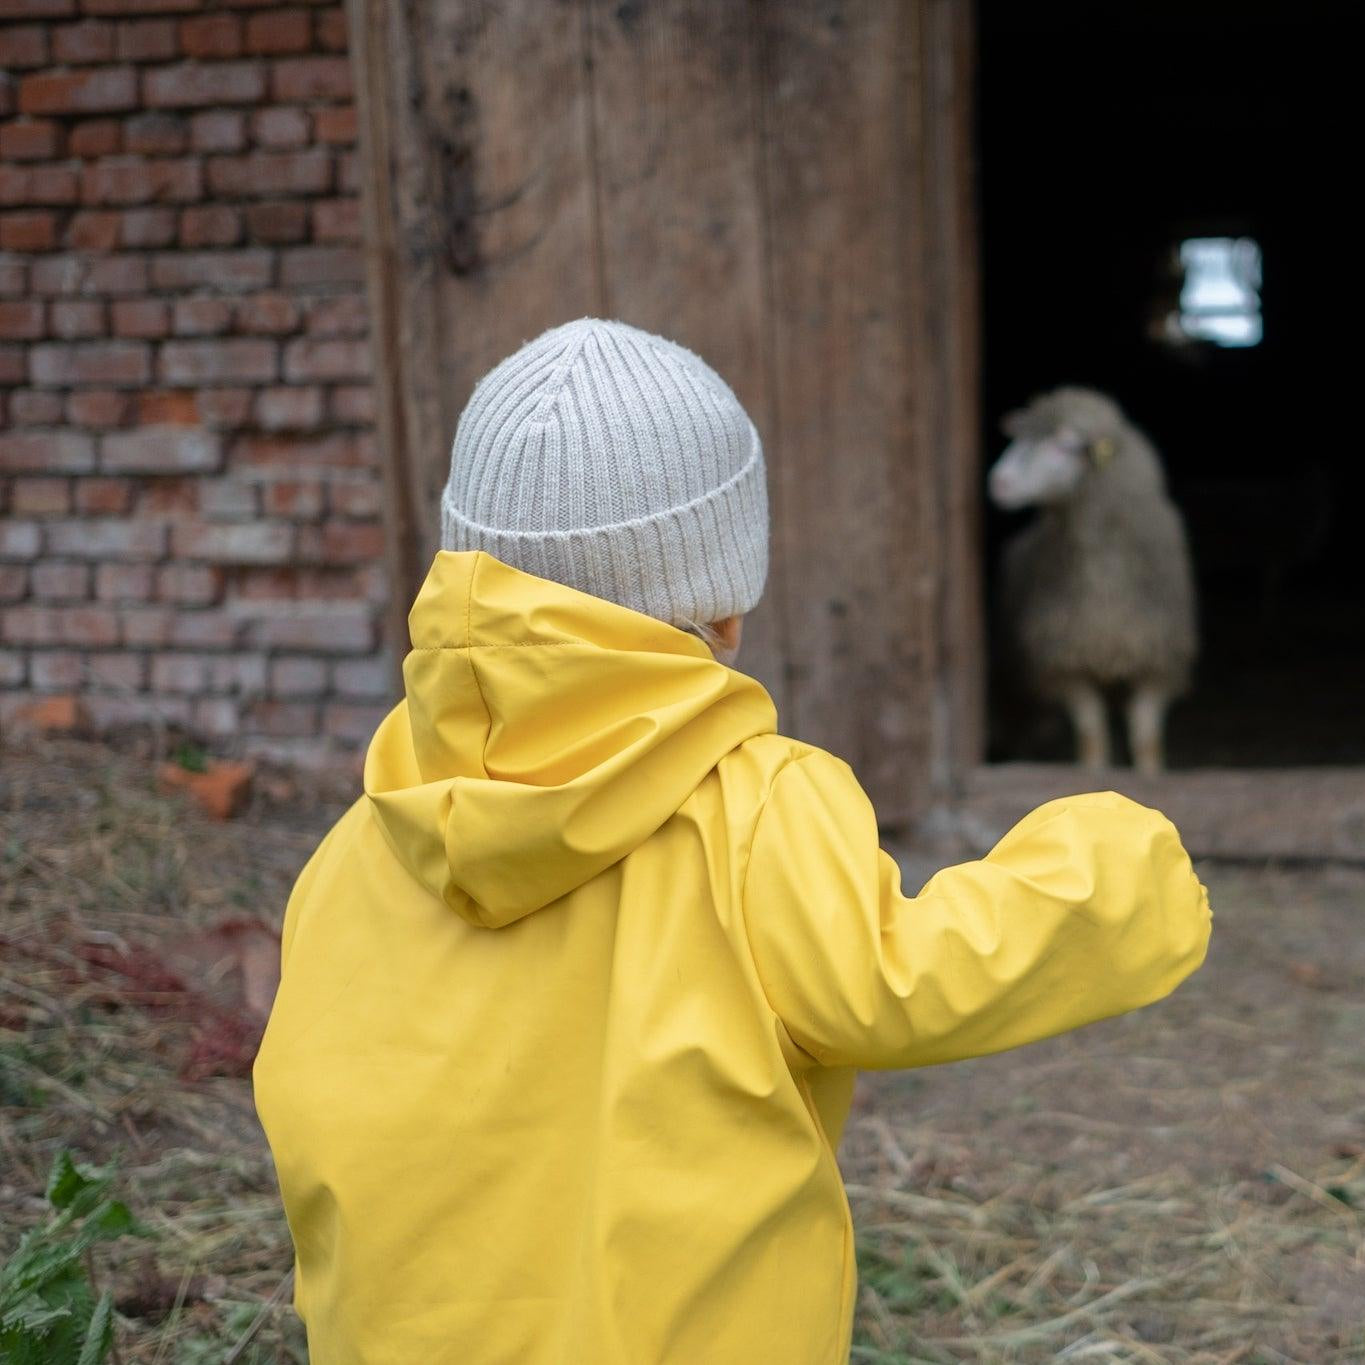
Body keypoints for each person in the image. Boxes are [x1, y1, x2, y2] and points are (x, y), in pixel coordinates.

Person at [253, 318, 1211, 1364]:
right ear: (725, 609)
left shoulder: (368, 837)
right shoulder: (760, 808)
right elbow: (901, 980)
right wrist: (1116, 860)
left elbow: (314, 1093)